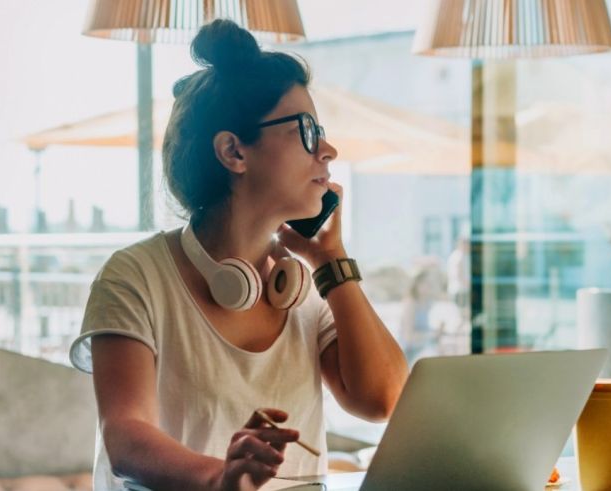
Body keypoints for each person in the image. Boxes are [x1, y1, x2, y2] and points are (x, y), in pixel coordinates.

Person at [68, 20, 408, 491]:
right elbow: (125, 437)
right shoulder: (135, 275)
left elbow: (382, 399)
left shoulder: (304, 285)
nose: (328, 150)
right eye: (307, 131)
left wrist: (333, 261)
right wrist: (221, 478)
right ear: (233, 151)